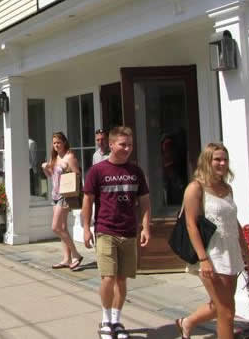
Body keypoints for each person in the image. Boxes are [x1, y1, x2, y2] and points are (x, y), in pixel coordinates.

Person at [175, 143, 249, 339]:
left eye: (225, 159)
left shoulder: (227, 188)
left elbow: (233, 222)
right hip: (212, 254)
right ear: (207, 161)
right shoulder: (195, 188)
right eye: (217, 159)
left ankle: (187, 322)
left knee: (221, 305)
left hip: (231, 251)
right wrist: (203, 259)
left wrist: (247, 252)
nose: (222, 163)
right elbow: (191, 225)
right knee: (226, 312)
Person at [81, 126, 151, 339]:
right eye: (123, 144)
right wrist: (85, 227)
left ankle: (116, 321)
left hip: (129, 232)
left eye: (130, 144)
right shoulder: (98, 171)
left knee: (122, 280)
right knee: (108, 278)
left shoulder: (136, 171)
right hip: (105, 230)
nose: (127, 148)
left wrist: (146, 227)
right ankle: (105, 320)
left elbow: (145, 202)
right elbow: (88, 200)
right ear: (111, 145)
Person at [42, 132, 83, 271]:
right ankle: (67, 259)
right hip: (54, 194)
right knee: (63, 228)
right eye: (54, 143)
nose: (56, 145)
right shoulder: (54, 157)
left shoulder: (69, 157)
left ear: (64, 142)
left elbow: (77, 174)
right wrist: (45, 169)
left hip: (65, 195)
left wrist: (67, 171)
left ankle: (76, 254)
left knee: (55, 227)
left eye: (58, 142)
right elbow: (50, 176)